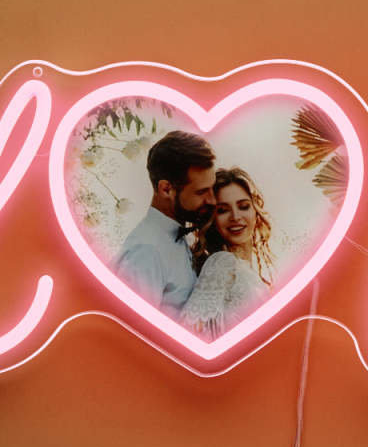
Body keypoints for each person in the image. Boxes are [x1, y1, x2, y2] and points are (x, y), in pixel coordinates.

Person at [115, 131, 216, 317]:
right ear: (166, 189)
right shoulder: (146, 251)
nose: (212, 200)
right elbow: (133, 328)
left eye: (212, 189)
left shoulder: (175, 237)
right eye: (201, 192)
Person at [181, 168, 274, 339]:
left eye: (243, 206)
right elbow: (188, 333)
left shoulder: (250, 273)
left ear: (255, 211)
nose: (235, 216)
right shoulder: (221, 262)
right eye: (223, 210)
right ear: (212, 220)